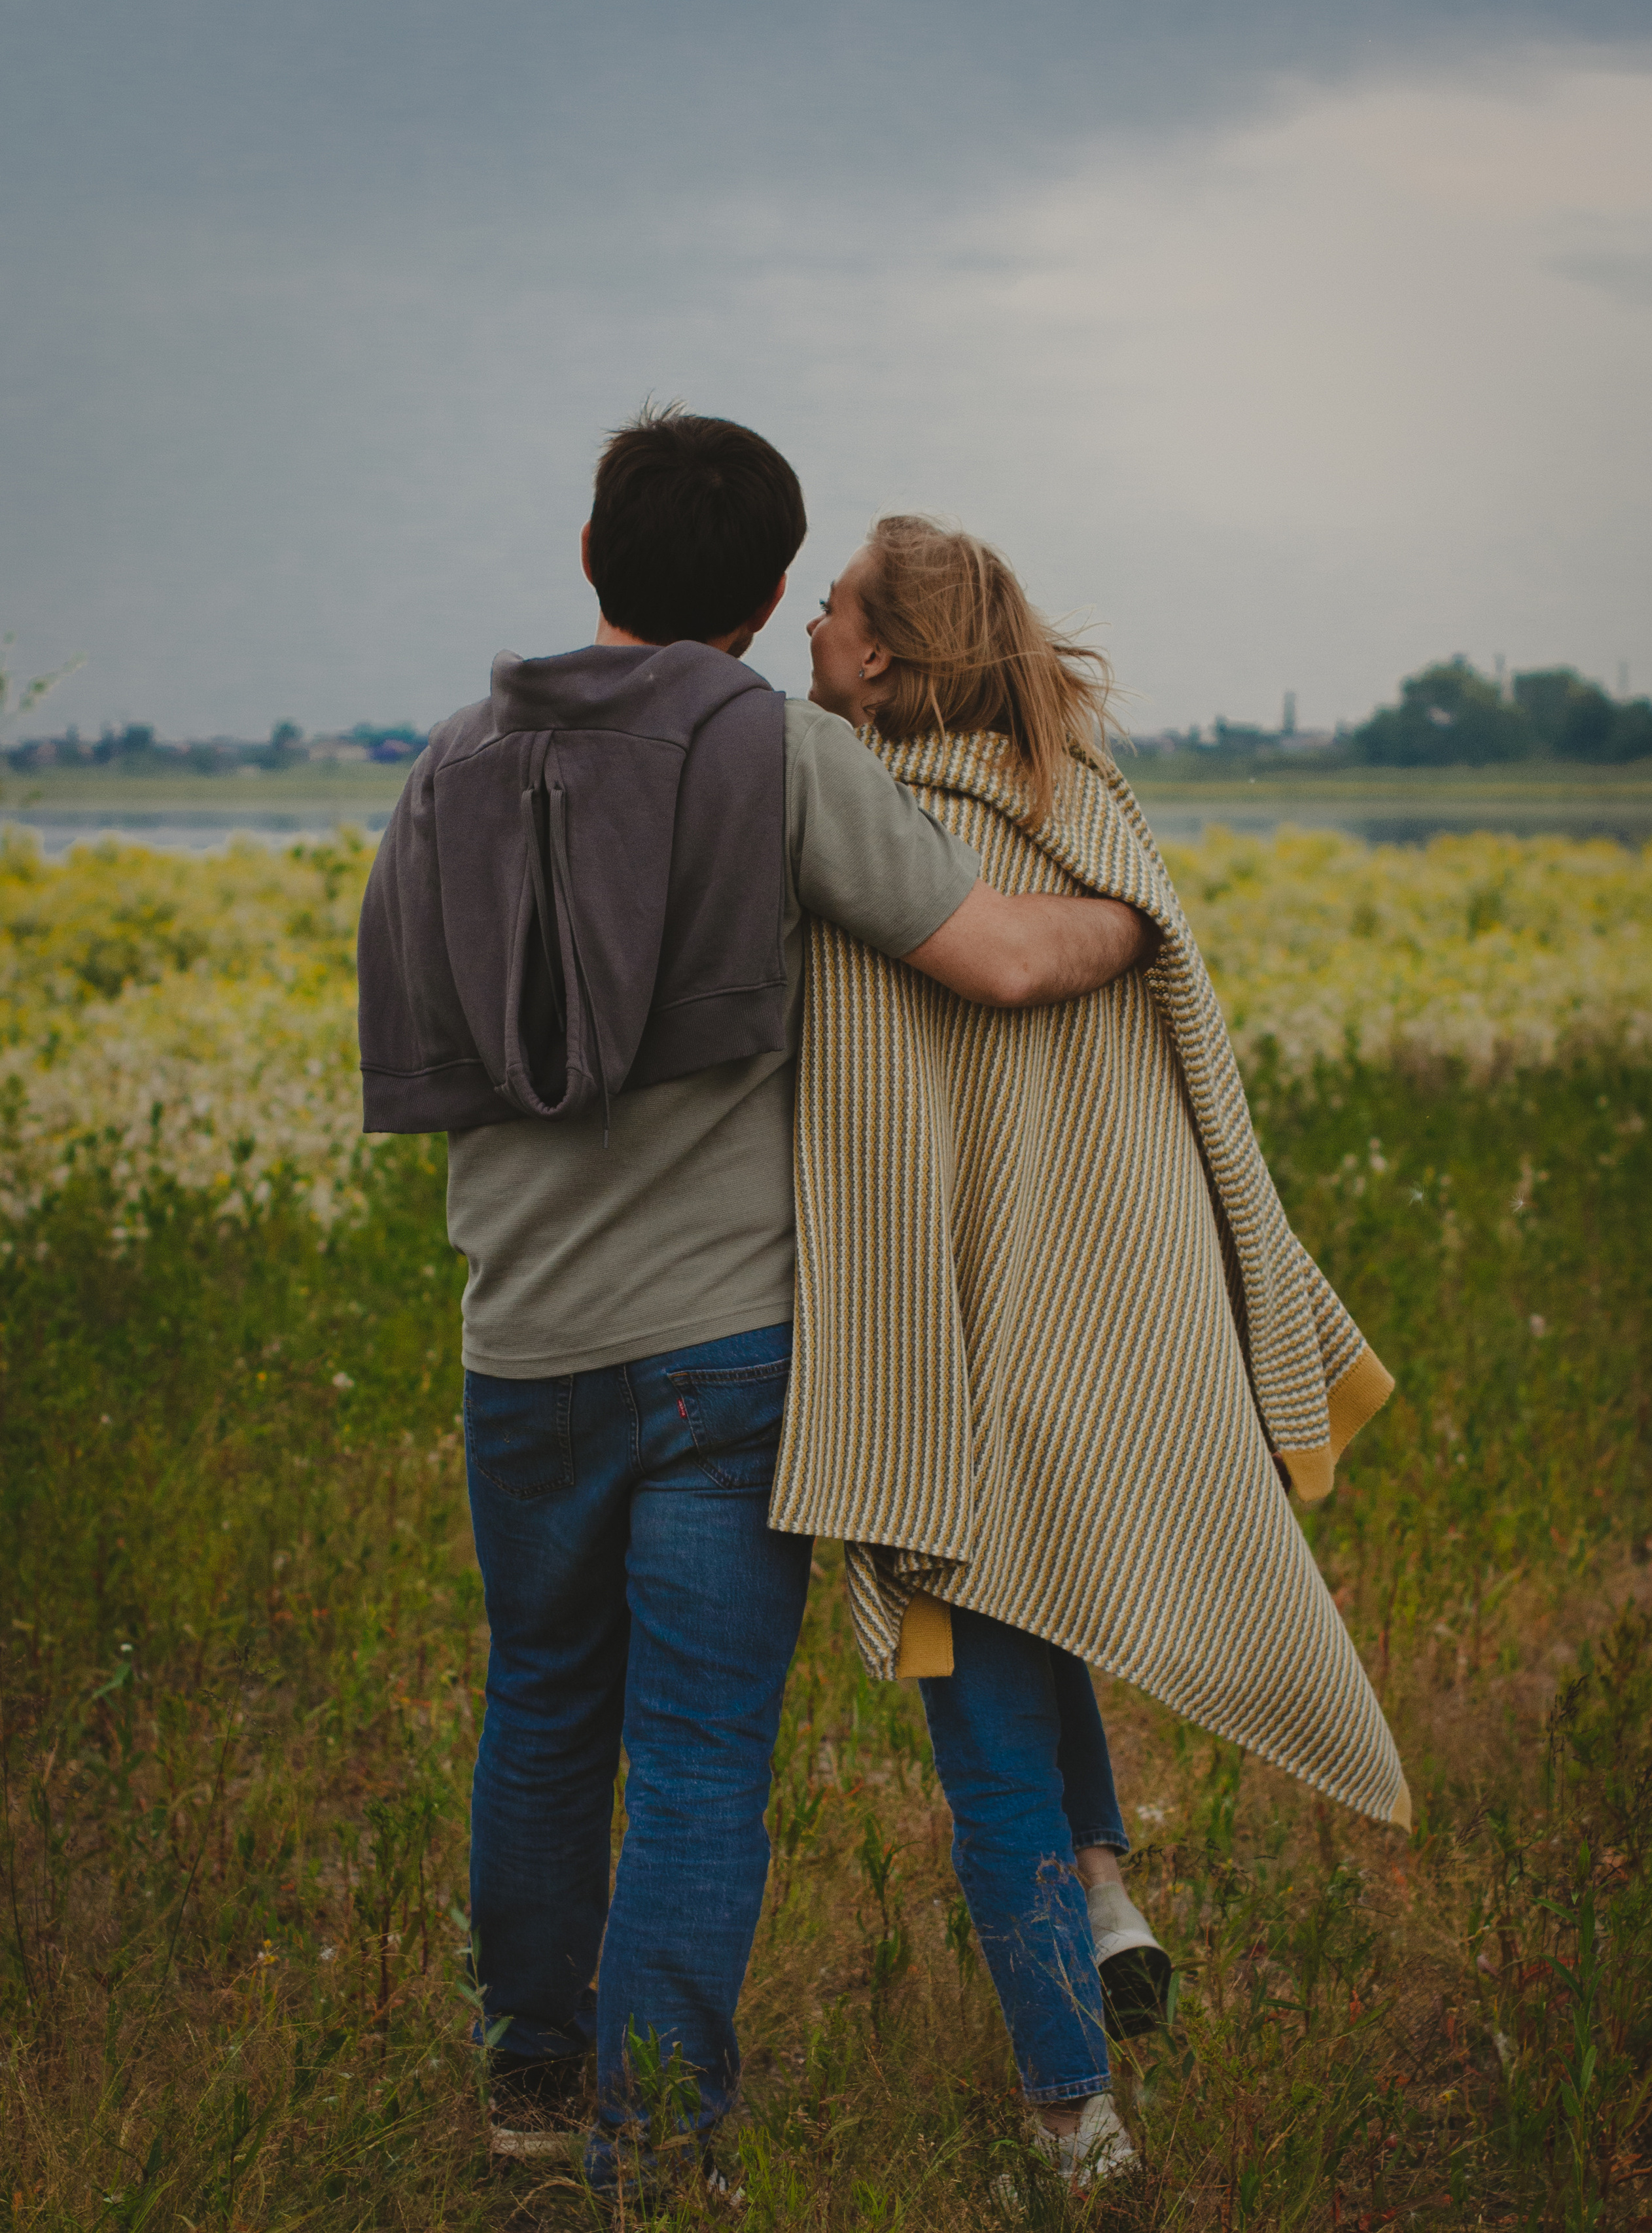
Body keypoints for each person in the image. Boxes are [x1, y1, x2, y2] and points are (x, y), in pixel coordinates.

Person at [355, 416, 1157, 2201]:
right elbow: (1005, 960)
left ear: (587, 550)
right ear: (775, 592)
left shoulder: (451, 760)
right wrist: (1132, 920)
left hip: (525, 1345)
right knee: (702, 1760)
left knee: (540, 1710)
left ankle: (530, 2097)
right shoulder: (779, 752)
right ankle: (662, 2151)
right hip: (728, 1352)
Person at [778, 515, 1402, 2190]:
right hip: (1105, 1320)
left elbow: (852, 1107)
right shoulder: (1079, 807)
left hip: (962, 1338)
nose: (809, 628)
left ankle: (1074, 2123)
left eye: (833, 610)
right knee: (1043, 1615)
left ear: (887, 656)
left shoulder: (877, 834)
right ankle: (1109, 1892)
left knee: (984, 1737)